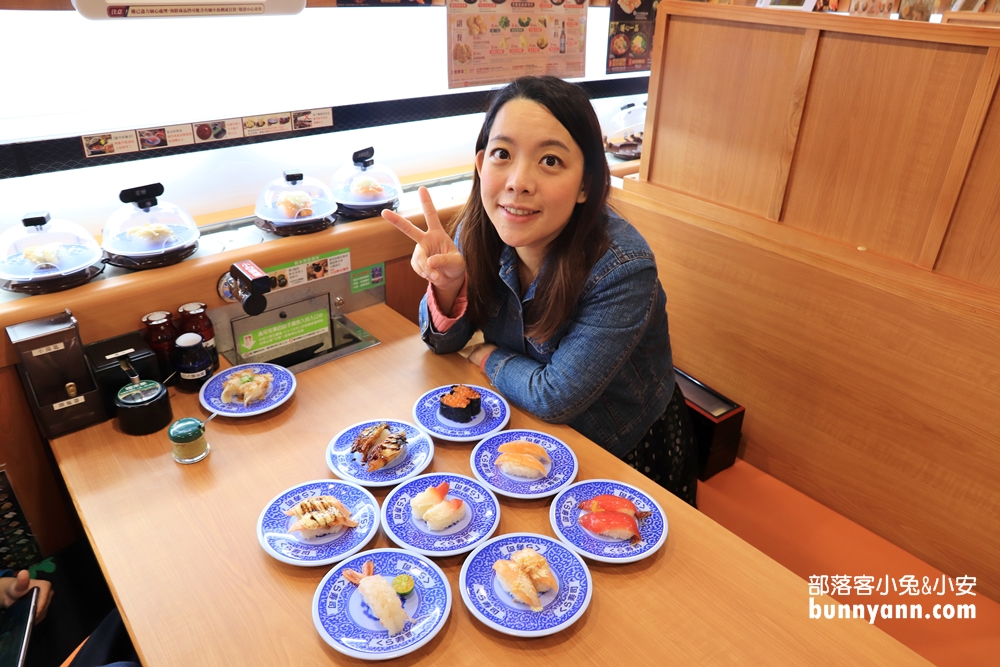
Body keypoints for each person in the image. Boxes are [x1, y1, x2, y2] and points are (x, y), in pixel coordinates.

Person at [383, 76, 697, 506]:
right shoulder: (483, 227)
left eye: (550, 161)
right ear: (480, 164)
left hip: (619, 447)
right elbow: (440, 344)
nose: (518, 181)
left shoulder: (624, 269)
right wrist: (450, 286)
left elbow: (554, 396)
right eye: (502, 154)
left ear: (586, 183)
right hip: (525, 432)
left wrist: (484, 353)